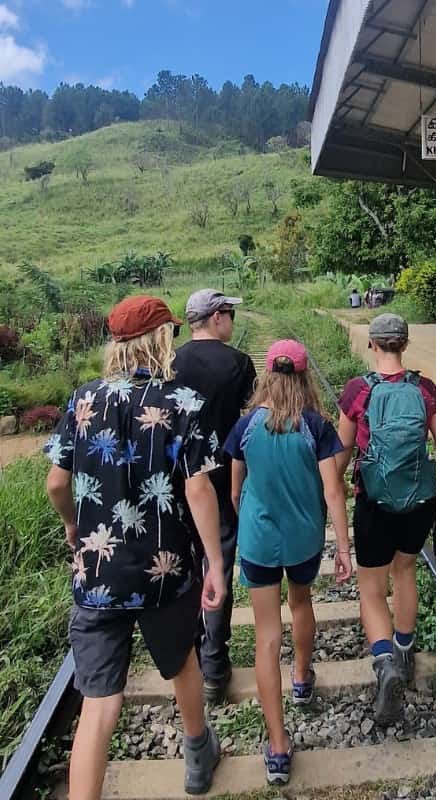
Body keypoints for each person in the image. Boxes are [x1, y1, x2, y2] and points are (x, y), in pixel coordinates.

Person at [44, 295, 225, 799]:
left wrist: (72, 526)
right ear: (161, 340)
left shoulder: (82, 401)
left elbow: (57, 483)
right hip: (164, 570)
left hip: (97, 574)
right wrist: (214, 561)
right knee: (182, 660)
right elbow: (197, 488)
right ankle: (197, 755)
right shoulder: (183, 402)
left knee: (99, 703)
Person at [224, 339, 352, 786]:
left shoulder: (246, 426)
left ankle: (277, 745)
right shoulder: (315, 426)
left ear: (268, 376)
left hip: (259, 541)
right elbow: (333, 489)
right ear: (303, 377)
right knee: (300, 604)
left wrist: (250, 516)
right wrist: (343, 546)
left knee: (265, 635)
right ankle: (300, 677)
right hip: (302, 539)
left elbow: (236, 489)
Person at [336, 313, 436, 725]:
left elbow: (342, 450)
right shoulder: (425, 390)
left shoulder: (358, 391)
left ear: (373, 345)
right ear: (404, 345)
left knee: (372, 590)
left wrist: (329, 487)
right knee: (406, 571)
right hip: (419, 501)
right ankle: (406, 651)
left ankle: (385, 663)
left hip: (374, 503)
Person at [173, 289, 257, 704]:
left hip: (174, 483)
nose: (233, 321)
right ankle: (213, 664)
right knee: (217, 565)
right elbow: (249, 420)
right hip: (222, 480)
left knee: (184, 564)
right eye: (231, 314)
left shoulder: (170, 363)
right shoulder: (239, 363)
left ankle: (187, 653)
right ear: (217, 317)